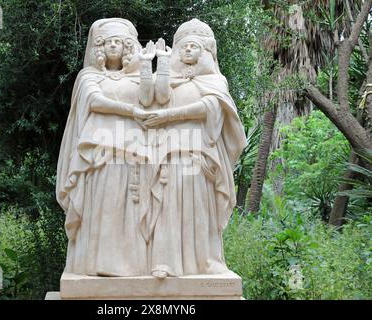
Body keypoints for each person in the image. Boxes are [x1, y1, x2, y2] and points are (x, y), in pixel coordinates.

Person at [141, 19, 248, 278]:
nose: (188, 50)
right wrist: (161, 63)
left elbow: (208, 109)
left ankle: (207, 260)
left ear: (205, 52)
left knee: (200, 205)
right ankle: (164, 260)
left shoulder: (215, 80)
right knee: (167, 202)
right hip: (167, 150)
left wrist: (169, 117)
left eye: (194, 46)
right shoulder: (165, 76)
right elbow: (154, 99)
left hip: (199, 151)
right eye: (184, 46)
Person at [56, 18, 152, 276]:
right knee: (103, 202)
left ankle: (130, 266)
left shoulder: (135, 78)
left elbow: (148, 100)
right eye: (108, 42)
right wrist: (129, 110)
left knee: (129, 203)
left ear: (126, 48)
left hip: (131, 148)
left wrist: (147, 65)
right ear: (99, 47)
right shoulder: (88, 76)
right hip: (98, 150)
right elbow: (95, 102)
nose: (113, 46)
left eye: (118, 42)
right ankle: (95, 263)